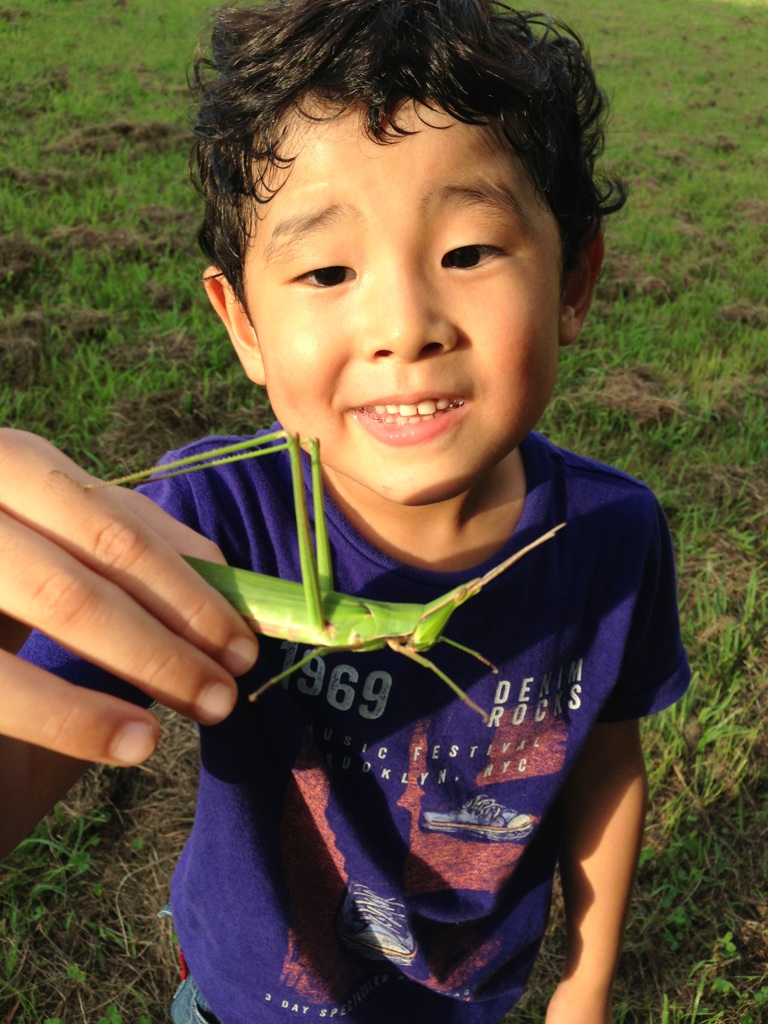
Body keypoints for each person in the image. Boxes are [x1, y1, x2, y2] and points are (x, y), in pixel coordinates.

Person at [0, 1, 691, 1021]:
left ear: (575, 280)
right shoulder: (193, 521)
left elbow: (602, 757)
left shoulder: (611, 536)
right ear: (241, 324)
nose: (404, 327)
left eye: (469, 252)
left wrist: (585, 985)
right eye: (327, 270)